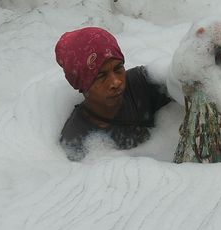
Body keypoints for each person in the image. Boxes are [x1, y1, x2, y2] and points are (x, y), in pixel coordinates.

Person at [55, 27, 174, 161]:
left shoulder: (141, 83)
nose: (116, 82)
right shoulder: (77, 138)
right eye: (101, 76)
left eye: (118, 68)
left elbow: (183, 80)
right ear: (82, 84)